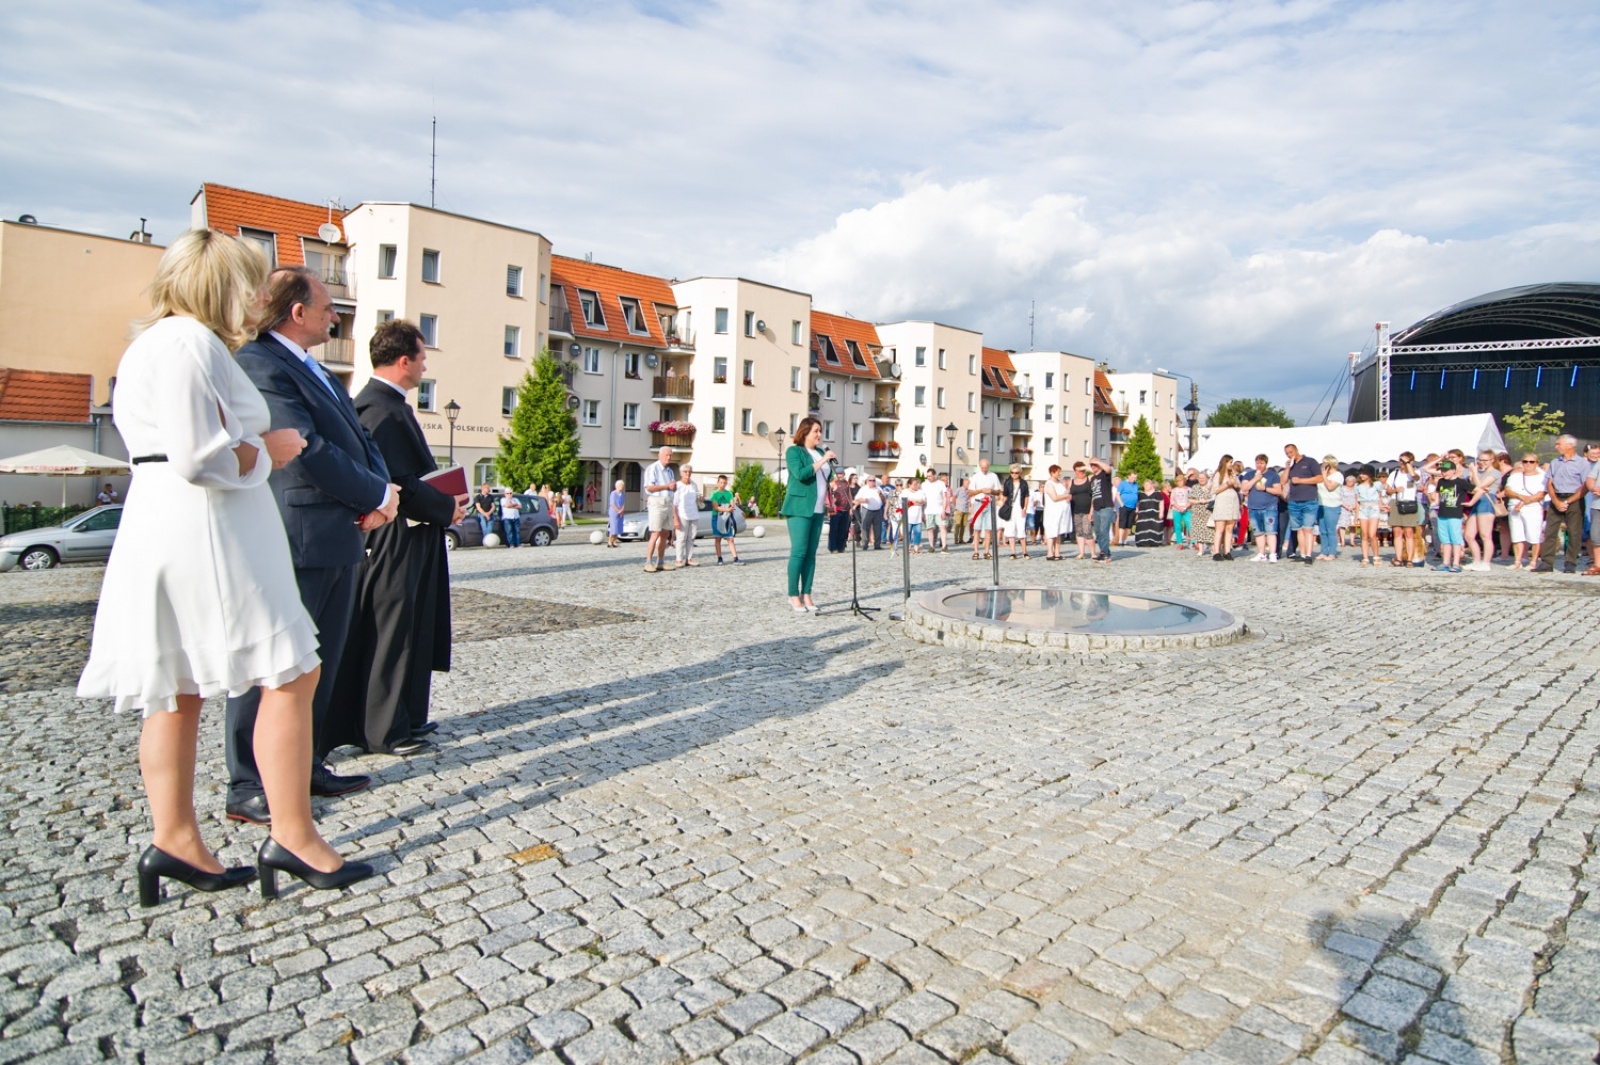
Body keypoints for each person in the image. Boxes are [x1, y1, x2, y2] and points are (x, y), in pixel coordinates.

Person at [76, 229, 371, 904]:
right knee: (293, 667)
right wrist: (268, 447)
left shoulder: (155, 343)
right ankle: (292, 834)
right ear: (227, 285)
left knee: (177, 686)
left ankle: (177, 839)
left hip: (171, 518)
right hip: (207, 522)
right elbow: (200, 455)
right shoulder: (189, 343)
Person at [224, 265, 399, 828]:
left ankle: (304, 762)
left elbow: (361, 438)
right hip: (297, 534)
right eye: (327, 307)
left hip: (341, 531)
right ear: (297, 313)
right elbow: (307, 448)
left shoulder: (313, 367)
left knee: (318, 662)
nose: (335, 316)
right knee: (272, 663)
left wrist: (381, 493)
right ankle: (248, 779)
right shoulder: (259, 363)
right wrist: (372, 491)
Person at [329, 319, 468, 759]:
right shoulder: (380, 408)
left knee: (410, 626)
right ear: (404, 360)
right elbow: (397, 482)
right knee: (391, 631)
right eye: (422, 357)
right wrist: (446, 507)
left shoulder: (391, 405)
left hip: (409, 536)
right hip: (393, 538)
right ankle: (382, 729)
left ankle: (402, 715)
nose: (425, 366)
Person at [779, 417, 834, 612]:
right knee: (799, 552)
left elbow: (828, 476)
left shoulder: (820, 452)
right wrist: (823, 460)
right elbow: (801, 474)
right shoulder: (794, 451)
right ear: (805, 432)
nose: (819, 434)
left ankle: (807, 594)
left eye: (820, 431)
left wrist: (834, 482)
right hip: (799, 508)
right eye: (816, 431)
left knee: (811, 554)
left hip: (818, 508)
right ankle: (793, 594)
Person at [1535, 435, 1587, 573]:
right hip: (1556, 496)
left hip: (1574, 498)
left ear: (1569, 446)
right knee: (1550, 530)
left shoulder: (1582, 463)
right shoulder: (1555, 462)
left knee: (1574, 532)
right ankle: (1546, 562)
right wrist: (1556, 501)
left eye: (1559, 444)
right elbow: (1549, 483)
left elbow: (1585, 486)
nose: (1556, 446)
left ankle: (1571, 563)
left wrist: (1568, 501)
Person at [1429, 459, 1476, 572]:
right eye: (1442, 470)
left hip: (1455, 514)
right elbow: (1437, 494)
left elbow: (1478, 490)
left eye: (1446, 470)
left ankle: (1455, 563)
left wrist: (1471, 502)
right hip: (1442, 514)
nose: (1443, 473)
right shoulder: (1441, 482)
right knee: (1445, 540)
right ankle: (1445, 562)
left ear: (1453, 470)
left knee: (1455, 539)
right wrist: (1435, 500)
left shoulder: (1460, 482)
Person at [1505, 454, 1547, 570]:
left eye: (1531, 462)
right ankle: (1517, 561)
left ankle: (1533, 561)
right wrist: (1520, 496)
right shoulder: (1515, 476)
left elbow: (1541, 493)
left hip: (1532, 507)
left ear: (1536, 463)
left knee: (1533, 535)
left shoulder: (1542, 477)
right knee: (1516, 534)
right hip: (1514, 506)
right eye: (1525, 461)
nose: (1528, 464)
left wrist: (1524, 501)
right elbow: (1508, 490)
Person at [1283, 443, 1322, 565]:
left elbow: (1319, 478)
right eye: (1287, 453)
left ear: (1296, 450)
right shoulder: (1291, 466)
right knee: (1298, 529)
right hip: (1294, 501)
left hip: (1309, 500)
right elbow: (1283, 481)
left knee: (1308, 528)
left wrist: (1301, 481)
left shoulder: (1310, 462)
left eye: (1291, 452)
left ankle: (1309, 555)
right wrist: (1288, 468)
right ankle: (1303, 554)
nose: (1290, 455)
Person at [1462, 449, 1500, 571]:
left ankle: (1486, 562)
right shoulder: (1479, 472)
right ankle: (1477, 560)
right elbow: (1472, 489)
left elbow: (1480, 486)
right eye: (1480, 460)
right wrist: (1472, 476)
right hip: (1476, 501)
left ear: (1492, 460)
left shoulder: (1495, 473)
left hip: (1487, 502)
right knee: (1469, 534)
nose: (1482, 462)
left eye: (1485, 460)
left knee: (1485, 534)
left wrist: (1474, 472)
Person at [1240, 454, 1282, 562]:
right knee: (1258, 532)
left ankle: (1273, 554)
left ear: (1266, 463)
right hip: (1253, 507)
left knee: (1271, 531)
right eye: (1257, 463)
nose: (1259, 465)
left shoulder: (1273, 475)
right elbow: (1244, 487)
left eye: (1262, 463)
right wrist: (1255, 478)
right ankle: (1261, 553)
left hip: (1269, 507)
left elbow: (1278, 491)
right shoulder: (1249, 475)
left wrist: (1265, 488)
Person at [642, 446, 676, 572]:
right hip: (657, 503)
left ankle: (660, 561)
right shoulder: (653, 468)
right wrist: (666, 487)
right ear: (660, 455)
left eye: (670, 455)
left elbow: (670, 487)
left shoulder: (670, 471)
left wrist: (673, 487)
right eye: (667, 455)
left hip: (668, 502)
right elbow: (649, 487)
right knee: (655, 532)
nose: (669, 457)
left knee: (665, 533)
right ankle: (648, 562)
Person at [969, 458, 1001, 559]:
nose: (984, 469)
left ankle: (987, 551)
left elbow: (998, 491)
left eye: (986, 467)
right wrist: (980, 491)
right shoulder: (976, 477)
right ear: (979, 466)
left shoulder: (993, 476)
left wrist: (991, 490)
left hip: (990, 503)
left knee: (988, 529)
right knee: (977, 528)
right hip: (979, 503)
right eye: (983, 468)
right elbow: (970, 492)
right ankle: (976, 551)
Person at [1209, 455, 1240, 560]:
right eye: (1230, 462)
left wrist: (1235, 484)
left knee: (1229, 527)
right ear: (1225, 463)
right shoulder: (1218, 474)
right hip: (1222, 502)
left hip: (1232, 502)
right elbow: (1215, 490)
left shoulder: (1233, 474)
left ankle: (1227, 551)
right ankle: (1216, 551)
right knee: (1220, 528)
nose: (1231, 464)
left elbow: (1239, 487)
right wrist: (1227, 484)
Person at [710, 474, 745, 563]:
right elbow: (715, 507)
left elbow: (732, 504)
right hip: (717, 517)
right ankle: (719, 558)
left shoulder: (728, 493)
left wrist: (734, 501)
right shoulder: (714, 494)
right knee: (718, 538)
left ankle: (735, 558)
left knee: (730, 538)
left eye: (724, 483)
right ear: (718, 483)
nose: (723, 484)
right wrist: (726, 509)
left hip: (726, 517)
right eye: (721, 482)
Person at [671, 465, 701, 567]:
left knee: (691, 538)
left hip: (694, 514)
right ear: (681, 473)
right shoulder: (678, 486)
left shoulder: (694, 485)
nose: (687, 474)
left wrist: (700, 499)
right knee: (681, 538)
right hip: (682, 515)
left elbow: (698, 498)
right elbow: (674, 504)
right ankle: (679, 559)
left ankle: (689, 558)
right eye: (685, 471)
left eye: (689, 472)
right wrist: (676, 519)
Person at [1088, 456, 1116, 562]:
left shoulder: (1104, 475)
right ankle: (1105, 553)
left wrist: (1098, 462)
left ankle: (1104, 553)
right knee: (1098, 532)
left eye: (1095, 464)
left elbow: (1109, 469)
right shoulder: (1093, 478)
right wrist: (1091, 511)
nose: (1093, 466)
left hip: (1106, 507)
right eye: (1091, 465)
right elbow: (1093, 496)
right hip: (1096, 508)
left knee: (1104, 530)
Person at [1316, 456, 1343, 561]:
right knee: (1322, 530)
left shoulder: (1338, 475)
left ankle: (1332, 552)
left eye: (1324, 463)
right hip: (1321, 504)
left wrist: (1324, 476)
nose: (1322, 465)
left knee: (1331, 529)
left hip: (1332, 505)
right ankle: (1323, 551)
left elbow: (1330, 487)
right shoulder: (1323, 475)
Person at [1000, 467, 1030, 559]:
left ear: (1020, 473)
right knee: (1010, 530)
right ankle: (1013, 552)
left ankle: (1025, 552)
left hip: (1020, 508)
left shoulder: (1024, 483)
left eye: (1016, 473)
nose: (1014, 474)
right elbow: (1004, 496)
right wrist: (1003, 506)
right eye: (1012, 472)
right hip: (1010, 509)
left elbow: (1026, 496)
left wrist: (1025, 508)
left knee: (1021, 530)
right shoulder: (1007, 482)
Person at [1041, 465, 1070, 561]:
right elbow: (1054, 497)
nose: (1060, 474)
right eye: (1058, 472)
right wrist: (1066, 496)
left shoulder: (1059, 483)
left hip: (1060, 511)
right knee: (1051, 532)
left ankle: (1057, 552)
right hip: (1052, 511)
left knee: (1058, 532)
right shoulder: (1049, 484)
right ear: (1052, 472)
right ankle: (1050, 552)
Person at [1355, 468, 1383, 565]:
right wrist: (1356, 515)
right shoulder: (1357, 486)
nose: (1361, 475)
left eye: (1364, 473)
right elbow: (1357, 501)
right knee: (1364, 534)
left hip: (1374, 509)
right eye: (1361, 474)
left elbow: (1379, 497)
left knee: (1372, 534)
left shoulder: (1377, 484)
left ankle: (1376, 556)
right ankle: (1365, 557)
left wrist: (1381, 506)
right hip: (1363, 509)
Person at [1069, 462, 1094, 559]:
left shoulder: (1089, 479)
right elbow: (1069, 494)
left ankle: (1093, 553)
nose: (1081, 472)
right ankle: (1081, 553)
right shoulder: (1071, 481)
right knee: (1079, 532)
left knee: (1088, 531)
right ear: (1075, 471)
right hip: (1076, 510)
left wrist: (1086, 467)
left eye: (1083, 470)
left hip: (1087, 510)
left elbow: (1096, 473)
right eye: (1079, 471)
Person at [854, 475, 884, 549]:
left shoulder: (878, 488)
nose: (872, 482)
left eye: (873, 480)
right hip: (867, 510)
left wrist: (880, 494)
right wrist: (864, 500)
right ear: (867, 481)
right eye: (870, 480)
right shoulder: (863, 489)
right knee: (865, 527)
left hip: (877, 510)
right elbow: (856, 499)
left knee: (878, 528)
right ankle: (865, 544)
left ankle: (877, 545)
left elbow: (884, 500)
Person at [1189, 471, 1214, 555]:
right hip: (1197, 512)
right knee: (1199, 531)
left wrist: (1206, 501)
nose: (1201, 479)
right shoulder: (1195, 487)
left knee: (1210, 531)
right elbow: (1190, 499)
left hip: (1208, 512)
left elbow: (1214, 498)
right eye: (1200, 478)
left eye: (1203, 478)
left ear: (1207, 478)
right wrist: (1198, 501)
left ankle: (1213, 549)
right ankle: (1201, 550)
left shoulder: (1211, 487)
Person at [924, 472, 950, 552]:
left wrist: (944, 510)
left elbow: (944, 497)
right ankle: (931, 546)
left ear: (934, 475)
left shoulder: (941, 484)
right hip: (928, 510)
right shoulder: (924, 484)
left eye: (930, 476)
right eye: (927, 476)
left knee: (943, 527)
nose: (928, 477)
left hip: (939, 510)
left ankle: (944, 546)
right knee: (930, 528)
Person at [1134, 479, 1165, 547]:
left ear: (1151, 485)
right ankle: (1142, 542)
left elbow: (1161, 503)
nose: (1146, 486)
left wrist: (1161, 512)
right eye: (1145, 485)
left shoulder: (1157, 493)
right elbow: (1137, 504)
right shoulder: (1140, 494)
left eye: (1148, 485)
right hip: (1143, 514)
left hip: (1154, 514)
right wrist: (1137, 511)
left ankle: (1155, 542)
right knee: (1143, 527)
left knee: (1154, 527)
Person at [1114, 472, 1138, 546]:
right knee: (1122, 523)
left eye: (1135, 478)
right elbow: (1117, 494)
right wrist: (1121, 504)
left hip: (1133, 506)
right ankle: (1120, 539)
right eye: (1132, 477)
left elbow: (1136, 495)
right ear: (1129, 476)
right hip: (1124, 506)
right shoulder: (1123, 484)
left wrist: (1137, 506)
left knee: (1129, 524)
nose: (1133, 479)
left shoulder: (1136, 484)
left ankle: (1125, 539)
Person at [1338, 473, 1359, 550]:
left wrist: (1354, 507)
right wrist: (1346, 507)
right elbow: (1340, 498)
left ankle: (1352, 541)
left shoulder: (1356, 489)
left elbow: (1358, 499)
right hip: (1344, 508)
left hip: (1354, 508)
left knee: (1352, 525)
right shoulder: (1342, 488)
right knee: (1342, 525)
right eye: (1348, 481)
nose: (1350, 482)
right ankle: (1342, 541)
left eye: (1351, 481)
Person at [1169, 478, 1191, 551]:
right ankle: (1180, 543)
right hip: (1177, 510)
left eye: (1181, 481)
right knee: (1178, 526)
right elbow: (1172, 501)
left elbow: (1191, 499)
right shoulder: (1174, 490)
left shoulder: (1189, 489)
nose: (1180, 482)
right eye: (1178, 481)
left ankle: (1194, 542)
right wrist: (1179, 508)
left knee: (1190, 525)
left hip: (1187, 509)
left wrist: (1185, 507)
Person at [606, 479, 625, 548]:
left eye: (622, 485)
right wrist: (618, 511)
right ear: (617, 486)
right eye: (620, 485)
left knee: (618, 527)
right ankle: (609, 541)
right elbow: (612, 504)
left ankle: (614, 541)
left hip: (620, 512)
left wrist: (622, 510)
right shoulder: (613, 493)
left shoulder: (622, 493)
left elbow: (623, 503)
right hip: (614, 512)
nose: (622, 486)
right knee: (613, 527)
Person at [952, 477, 970, 546]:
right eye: (967, 483)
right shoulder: (959, 489)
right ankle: (956, 539)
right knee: (958, 524)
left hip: (965, 509)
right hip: (959, 509)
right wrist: (955, 506)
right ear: (963, 483)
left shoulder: (968, 491)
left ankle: (961, 539)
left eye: (969, 483)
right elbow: (954, 497)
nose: (968, 485)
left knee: (964, 525)